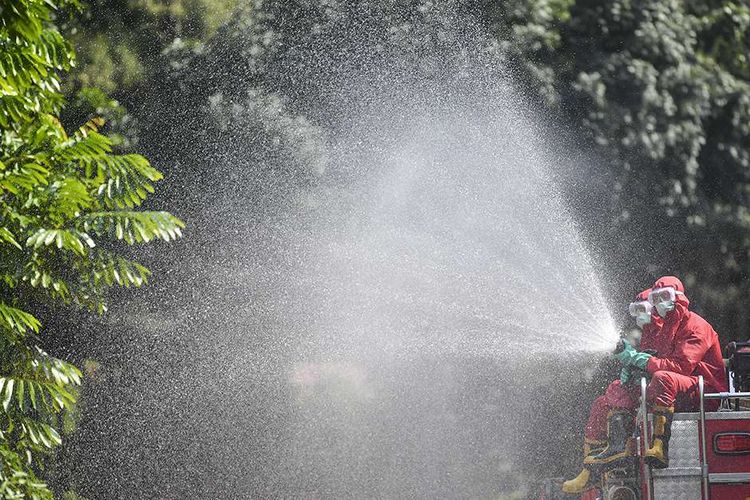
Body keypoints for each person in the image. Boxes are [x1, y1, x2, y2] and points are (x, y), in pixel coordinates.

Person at [561, 288, 659, 494]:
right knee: (602, 403)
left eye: (643, 309)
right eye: (636, 310)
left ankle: (618, 447)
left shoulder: (668, 330)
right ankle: (592, 471)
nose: (640, 315)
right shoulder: (651, 333)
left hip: (673, 392)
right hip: (654, 390)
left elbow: (666, 364)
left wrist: (632, 359)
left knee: (616, 390)